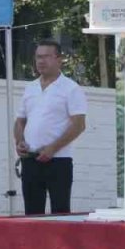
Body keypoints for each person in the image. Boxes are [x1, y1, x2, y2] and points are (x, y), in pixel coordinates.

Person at [14, 40, 88, 215]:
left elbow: (79, 125)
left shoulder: (71, 89)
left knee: (60, 212)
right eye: (38, 57)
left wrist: (53, 148)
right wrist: (19, 142)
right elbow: (20, 121)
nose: (41, 61)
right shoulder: (30, 88)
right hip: (31, 160)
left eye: (47, 56)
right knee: (32, 213)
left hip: (59, 161)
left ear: (59, 59)